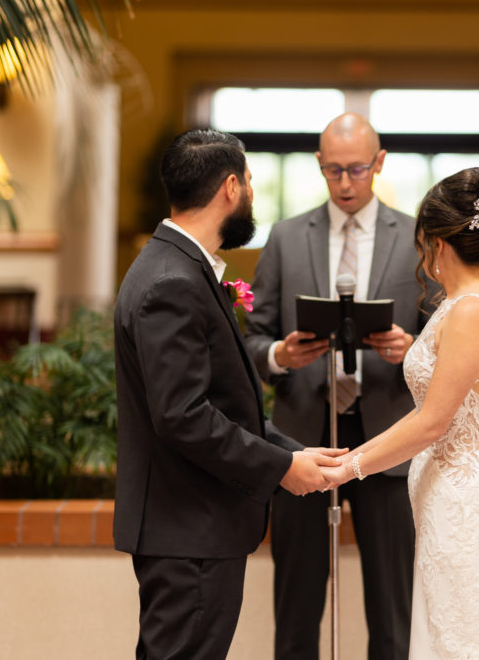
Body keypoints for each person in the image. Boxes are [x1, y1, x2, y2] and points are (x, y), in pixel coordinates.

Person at [113, 128, 344, 660]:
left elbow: (218, 403)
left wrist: (288, 450)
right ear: (231, 187)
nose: (253, 196)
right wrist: (280, 469)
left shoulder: (177, 266)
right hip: (188, 528)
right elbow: (184, 416)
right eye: (252, 184)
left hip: (191, 526)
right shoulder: (172, 281)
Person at [323, 167, 479, 659]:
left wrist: (349, 465)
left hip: (463, 511)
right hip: (444, 506)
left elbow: (431, 421)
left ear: (437, 242)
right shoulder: (458, 305)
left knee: (472, 646)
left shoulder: (469, 310)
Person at [244, 113, 438, 659]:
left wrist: (414, 349)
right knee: (297, 605)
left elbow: (443, 335)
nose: (346, 183)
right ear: (319, 166)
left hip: (389, 438)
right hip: (303, 436)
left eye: (356, 169)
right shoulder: (284, 237)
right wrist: (281, 355)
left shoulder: (415, 237)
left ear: (379, 163)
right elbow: (252, 339)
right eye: (333, 171)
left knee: (392, 607)